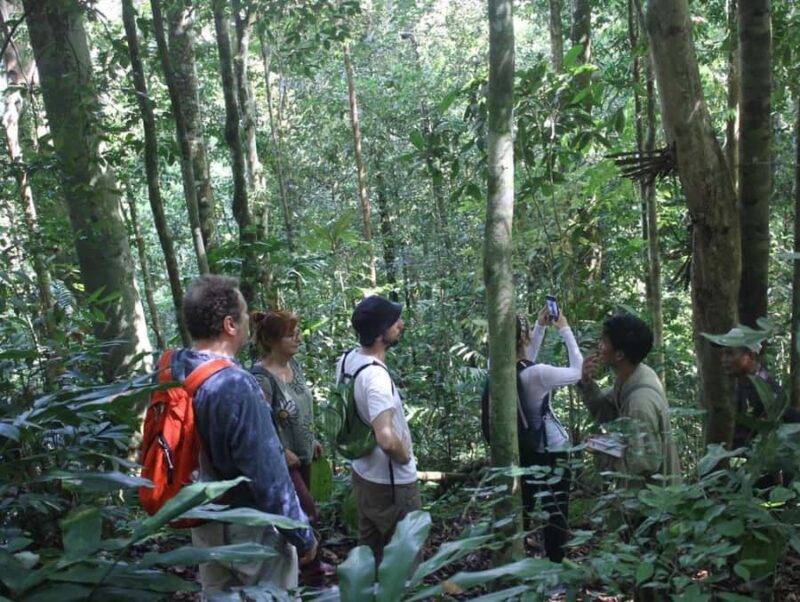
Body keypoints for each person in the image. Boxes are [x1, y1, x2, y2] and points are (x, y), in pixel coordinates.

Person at [174, 275, 316, 598]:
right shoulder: (236, 385)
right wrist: (302, 535)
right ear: (229, 324)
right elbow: (268, 475)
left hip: (205, 523)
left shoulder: (178, 370)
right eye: (244, 314)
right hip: (249, 528)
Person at [336, 295, 419, 565]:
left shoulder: (348, 360)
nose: (400, 324)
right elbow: (385, 437)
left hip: (363, 474)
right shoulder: (376, 377)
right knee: (404, 560)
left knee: (370, 553)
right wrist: (404, 456)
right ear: (380, 333)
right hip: (391, 483)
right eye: (394, 322)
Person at [250, 310, 331, 585]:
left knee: (307, 511)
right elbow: (261, 421)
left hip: (305, 454)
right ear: (272, 341)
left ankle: (305, 567)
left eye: (297, 332)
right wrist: (281, 450)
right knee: (304, 512)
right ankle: (311, 575)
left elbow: (301, 406)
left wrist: (312, 439)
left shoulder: (295, 367)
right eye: (289, 334)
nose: (297, 338)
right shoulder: (261, 377)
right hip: (282, 460)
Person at [578, 314, 680, 487]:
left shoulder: (640, 402)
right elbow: (607, 410)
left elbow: (644, 464)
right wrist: (586, 382)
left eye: (604, 342)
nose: (600, 347)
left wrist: (604, 453)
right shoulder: (633, 375)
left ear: (619, 355)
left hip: (652, 504)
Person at [516, 307, 583, 563]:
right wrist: (564, 328)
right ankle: (555, 563)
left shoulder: (499, 369)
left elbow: (524, 361)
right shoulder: (539, 374)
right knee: (556, 511)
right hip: (552, 449)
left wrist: (540, 327)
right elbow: (578, 371)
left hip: (526, 449)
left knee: (526, 505)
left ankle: (518, 560)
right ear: (524, 338)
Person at [701, 324, 800, 483]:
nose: (723, 359)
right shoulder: (742, 386)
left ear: (751, 356)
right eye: (723, 353)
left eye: (730, 353)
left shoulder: (765, 390)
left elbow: (792, 420)